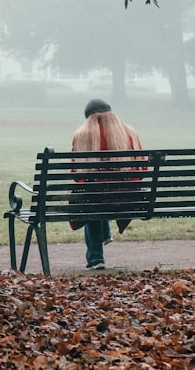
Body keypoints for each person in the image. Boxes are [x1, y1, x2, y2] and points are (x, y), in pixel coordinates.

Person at [71, 98, 143, 270]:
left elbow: (75, 174)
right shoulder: (129, 132)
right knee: (101, 194)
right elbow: (142, 167)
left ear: (88, 119)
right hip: (128, 199)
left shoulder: (81, 135)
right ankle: (105, 233)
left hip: (96, 199)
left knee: (91, 197)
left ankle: (95, 258)